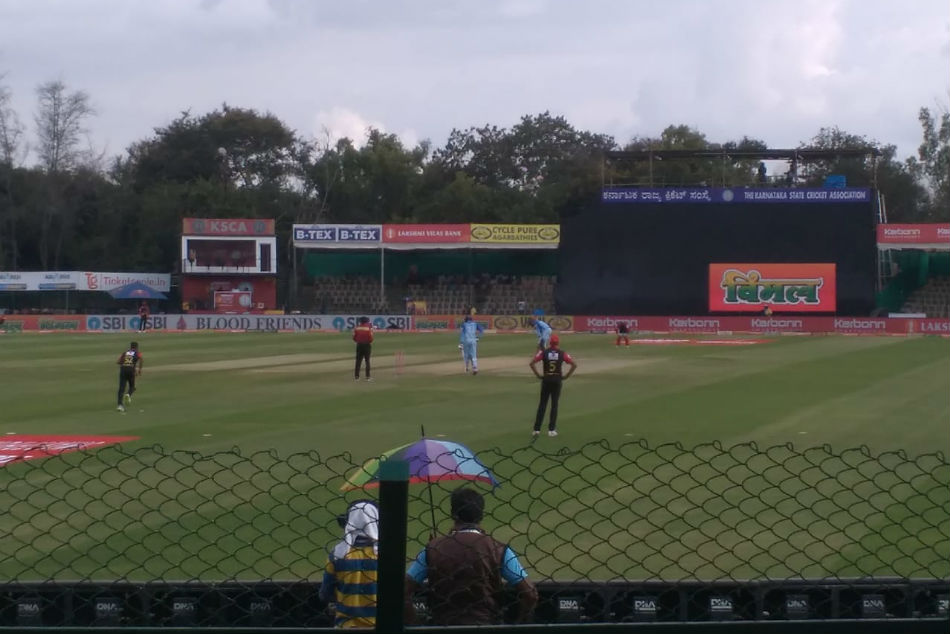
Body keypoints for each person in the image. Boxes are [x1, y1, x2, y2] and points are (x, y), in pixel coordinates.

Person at [404, 488, 537, 626]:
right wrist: (519, 624)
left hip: (444, 626)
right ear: (481, 515)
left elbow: (404, 590)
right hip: (486, 626)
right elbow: (530, 594)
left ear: (453, 514)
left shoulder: (432, 549)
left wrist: (416, 625)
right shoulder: (498, 549)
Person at [320, 500, 380, 628]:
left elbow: (325, 593)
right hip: (380, 626)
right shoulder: (386, 555)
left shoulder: (338, 554)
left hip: (346, 626)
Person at [529, 334, 577, 437]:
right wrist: (566, 376)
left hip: (546, 380)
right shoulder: (562, 353)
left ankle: (536, 430)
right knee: (554, 405)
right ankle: (551, 430)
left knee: (542, 404)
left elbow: (531, 363)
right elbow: (574, 365)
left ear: (550, 342)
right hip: (557, 380)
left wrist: (538, 375)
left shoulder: (544, 352)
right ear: (558, 343)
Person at [116, 341, 143, 412]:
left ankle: (120, 405)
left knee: (121, 388)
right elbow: (141, 359)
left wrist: (124, 363)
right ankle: (128, 394)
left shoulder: (125, 353)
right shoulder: (137, 353)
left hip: (123, 370)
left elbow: (118, 362)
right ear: (137, 347)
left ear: (130, 347)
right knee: (132, 387)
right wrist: (139, 369)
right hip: (131, 370)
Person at [353, 317, 374, 381]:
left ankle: (356, 376)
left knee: (358, 361)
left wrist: (358, 341)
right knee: (367, 361)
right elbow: (371, 338)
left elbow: (354, 338)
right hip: (367, 345)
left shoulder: (357, 328)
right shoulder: (368, 328)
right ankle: (368, 377)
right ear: (366, 321)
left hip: (359, 345)